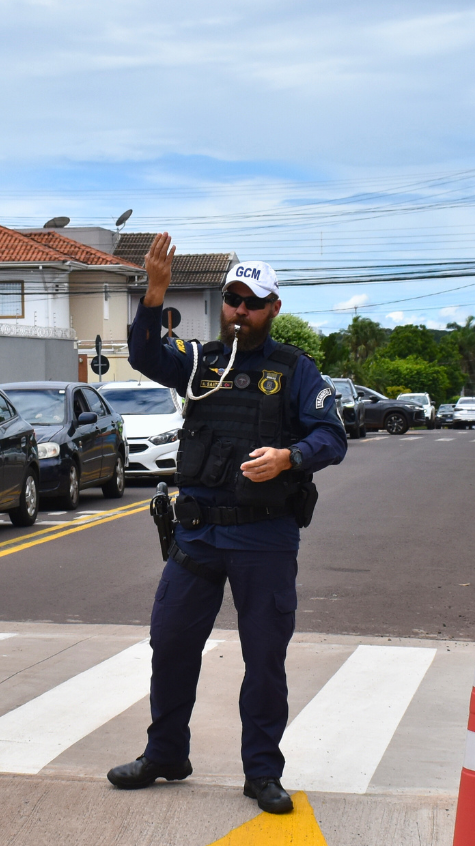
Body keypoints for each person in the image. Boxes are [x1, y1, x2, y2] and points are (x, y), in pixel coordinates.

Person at [107, 246, 347, 814]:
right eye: (233, 300)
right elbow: (143, 353)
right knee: (169, 644)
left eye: (253, 303)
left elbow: (331, 437)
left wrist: (289, 457)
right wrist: (155, 294)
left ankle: (262, 772)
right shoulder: (200, 363)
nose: (241, 310)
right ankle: (166, 754)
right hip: (197, 536)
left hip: (264, 538)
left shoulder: (295, 369)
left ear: (273, 307)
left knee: (263, 659)